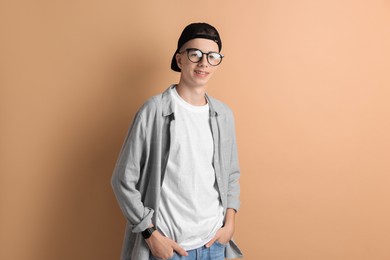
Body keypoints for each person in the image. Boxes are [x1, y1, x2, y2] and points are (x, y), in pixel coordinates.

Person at [111, 22, 243, 260]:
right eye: (195, 54)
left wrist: (229, 225)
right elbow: (122, 180)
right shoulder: (154, 111)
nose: (204, 63)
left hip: (214, 245)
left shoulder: (223, 115)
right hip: (168, 248)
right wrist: (151, 235)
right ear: (180, 59)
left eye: (212, 56)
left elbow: (231, 175)